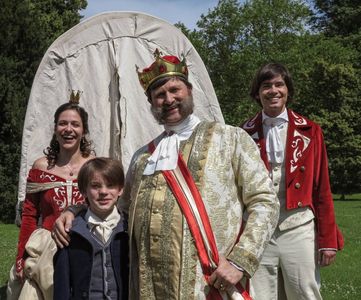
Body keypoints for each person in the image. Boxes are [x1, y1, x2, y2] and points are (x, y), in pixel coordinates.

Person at [53, 49, 279, 299]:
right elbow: (121, 209)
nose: (168, 99)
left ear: (190, 92)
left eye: (175, 90)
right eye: (159, 95)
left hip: (208, 286)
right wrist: (74, 211)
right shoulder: (142, 157)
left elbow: (265, 201)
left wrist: (240, 261)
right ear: (151, 104)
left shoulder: (230, 138)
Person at [240, 62, 344, 299]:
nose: (273, 90)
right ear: (257, 93)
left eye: (279, 84)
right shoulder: (242, 133)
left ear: (288, 90)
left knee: (304, 292)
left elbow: (322, 188)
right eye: (266, 85)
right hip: (257, 228)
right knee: (258, 295)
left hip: (298, 226)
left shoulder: (310, 131)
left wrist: (327, 240)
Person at [7, 94, 95, 300]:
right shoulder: (41, 167)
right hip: (45, 248)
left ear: (84, 131)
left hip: (84, 244)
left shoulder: (94, 167)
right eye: (62, 123)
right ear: (55, 129)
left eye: (75, 124)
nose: (68, 129)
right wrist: (21, 257)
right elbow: (29, 215)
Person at [53, 157, 128, 300]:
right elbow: (62, 284)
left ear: (120, 189)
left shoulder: (129, 229)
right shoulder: (70, 231)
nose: (103, 192)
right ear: (83, 190)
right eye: (95, 186)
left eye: (110, 185)